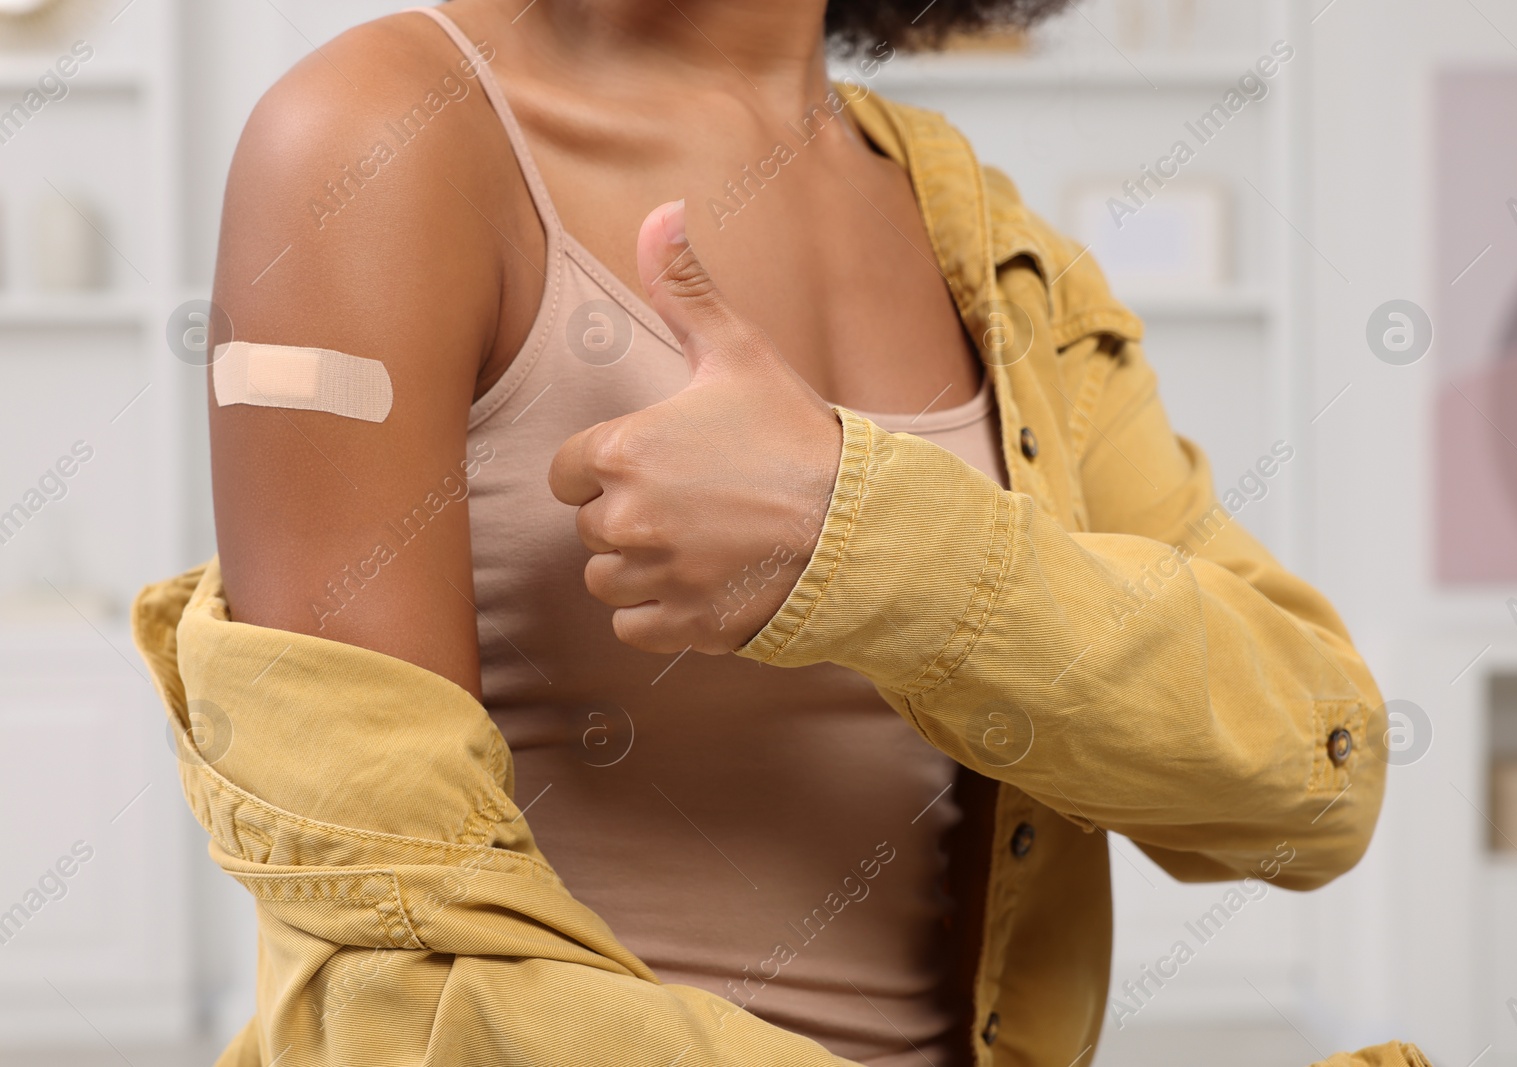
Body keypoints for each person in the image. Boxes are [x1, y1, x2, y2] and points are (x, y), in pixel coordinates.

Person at [157, 1, 1415, 1063]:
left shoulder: (990, 245)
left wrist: (860, 536)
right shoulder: (374, 135)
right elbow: (386, 948)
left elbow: (1317, 777)